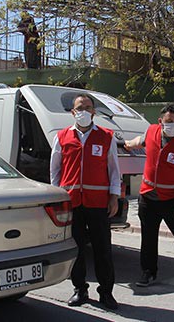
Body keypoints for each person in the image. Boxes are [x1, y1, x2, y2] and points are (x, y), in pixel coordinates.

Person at [50, 94, 120, 310]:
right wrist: (57, 196)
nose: (83, 111)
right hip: (72, 203)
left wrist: (114, 197)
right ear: (73, 112)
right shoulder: (61, 137)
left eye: (88, 107)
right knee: (77, 248)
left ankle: (106, 292)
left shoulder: (107, 137)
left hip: (98, 203)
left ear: (94, 112)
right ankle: (80, 289)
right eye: (79, 108)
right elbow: (55, 169)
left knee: (102, 249)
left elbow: (114, 170)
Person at [124, 104, 174, 290]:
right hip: (148, 198)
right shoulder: (152, 131)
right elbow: (139, 141)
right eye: (169, 121)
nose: (173, 124)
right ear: (160, 121)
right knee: (148, 237)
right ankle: (148, 272)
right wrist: (127, 144)